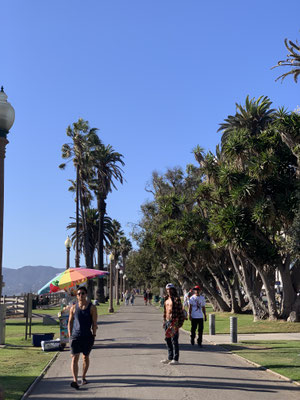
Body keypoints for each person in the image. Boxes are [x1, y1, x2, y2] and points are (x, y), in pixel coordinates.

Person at [68, 286, 98, 389]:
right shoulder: (73, 308)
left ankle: (83, 377)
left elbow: (94, 323)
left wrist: (94, 334)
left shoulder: (92, 308)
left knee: (85, 357)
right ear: (76, 296)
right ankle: (75, 381)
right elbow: (70, 322)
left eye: (83, 293)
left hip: (87, 337)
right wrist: (70, 335)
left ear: (86, 295)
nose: (81, 295)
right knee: (74, 358)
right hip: (75, 337)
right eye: (79, 294)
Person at [161, 283, 185, 365]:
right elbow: (165, 311)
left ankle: (176, 358)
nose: (169, 291)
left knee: (174, 340)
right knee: (167, 339)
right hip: (167, 321)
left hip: (174, 321)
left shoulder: (176, 299)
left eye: (170, 289)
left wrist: (179, 323)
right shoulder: (166, 299)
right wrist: (164, 321)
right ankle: (169, 357)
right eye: (167, 290)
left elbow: (181, 312)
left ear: (173, 290)